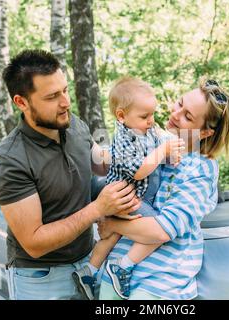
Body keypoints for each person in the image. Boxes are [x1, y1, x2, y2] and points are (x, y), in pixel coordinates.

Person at [0, 50, 140, 300]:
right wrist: (98, 208)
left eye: (65, 90)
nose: (66, 102)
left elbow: (100, 163)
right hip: (41, 279)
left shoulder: (72, 123)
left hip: (89, 262)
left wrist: (145, 154)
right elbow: (34, 243)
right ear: (22, 102)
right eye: (52, 96)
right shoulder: (9, 162)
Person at [97, 77, 229, 300]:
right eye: (180, 104)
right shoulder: (153, 143)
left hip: (158, 284)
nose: (175, 114)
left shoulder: (200, 169)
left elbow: (162, 230)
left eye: (187, 116)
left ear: (204, 133)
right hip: (113, 277)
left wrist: (111, 223)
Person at [72, 77, 184, 300]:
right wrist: (163, 150)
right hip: (127, 197)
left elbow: (158, 146)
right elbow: (140, 171)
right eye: (144, 116)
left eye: (152, 114)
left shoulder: (145, 130)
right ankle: (123, 266)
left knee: (111, 236)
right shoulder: (124, 139)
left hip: (129, 197)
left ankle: (89, 271)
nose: (151, 121)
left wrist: (170, 152)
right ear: (122, 116)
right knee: (159, 231)